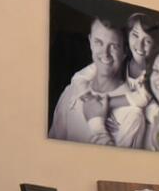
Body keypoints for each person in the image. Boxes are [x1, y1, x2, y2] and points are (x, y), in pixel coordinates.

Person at [49, 16, 129, 144]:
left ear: (124, 52)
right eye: (98, 42)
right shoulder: (71, 92)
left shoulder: (133, 111)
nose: (105, 53)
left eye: (113, 46)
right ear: (90, 42)